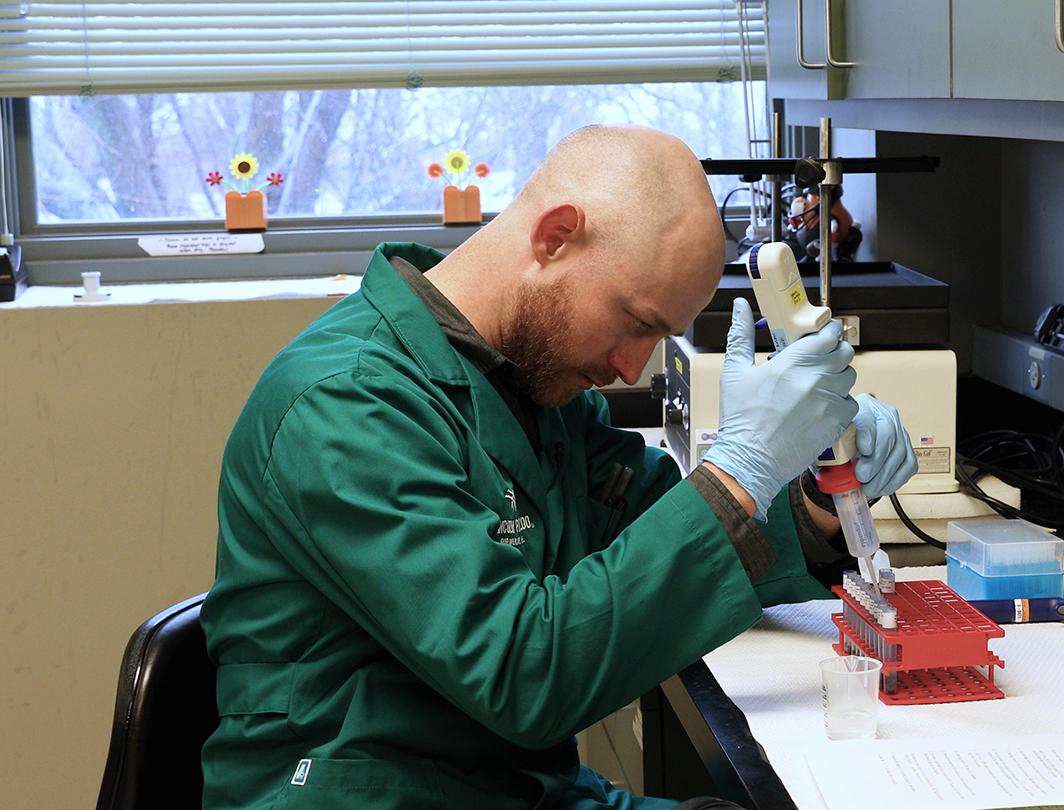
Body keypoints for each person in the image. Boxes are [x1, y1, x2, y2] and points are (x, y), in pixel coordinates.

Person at [200, 124, 919, 809]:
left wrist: (815, 496)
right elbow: (523, 669)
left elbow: (664, 530)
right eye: (638, 322)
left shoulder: (527, 387)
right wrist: (738, 469)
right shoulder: (346, 406)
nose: (632, 366)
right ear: (555, 237)